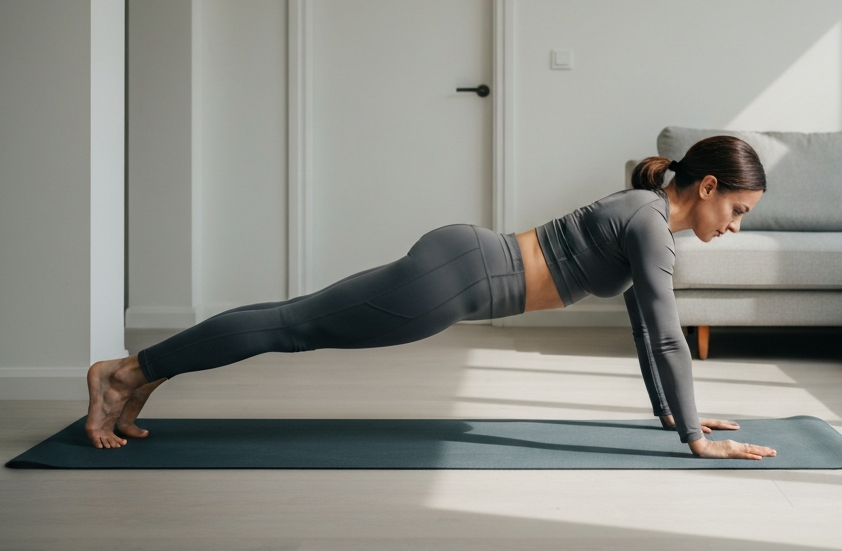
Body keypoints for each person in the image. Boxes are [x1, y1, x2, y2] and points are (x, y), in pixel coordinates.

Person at [86, 135, 775, 460]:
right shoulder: (649, 223)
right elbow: (664, 335)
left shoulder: (648, 218)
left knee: (292, 323)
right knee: (291, 326)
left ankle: (140, 373)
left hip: (463, 265)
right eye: (738, 210)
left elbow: (642, 329)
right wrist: (692, 437)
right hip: (457, 280)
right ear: (707, 187)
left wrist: (671, 416)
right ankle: (126, 372)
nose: (736, 226)